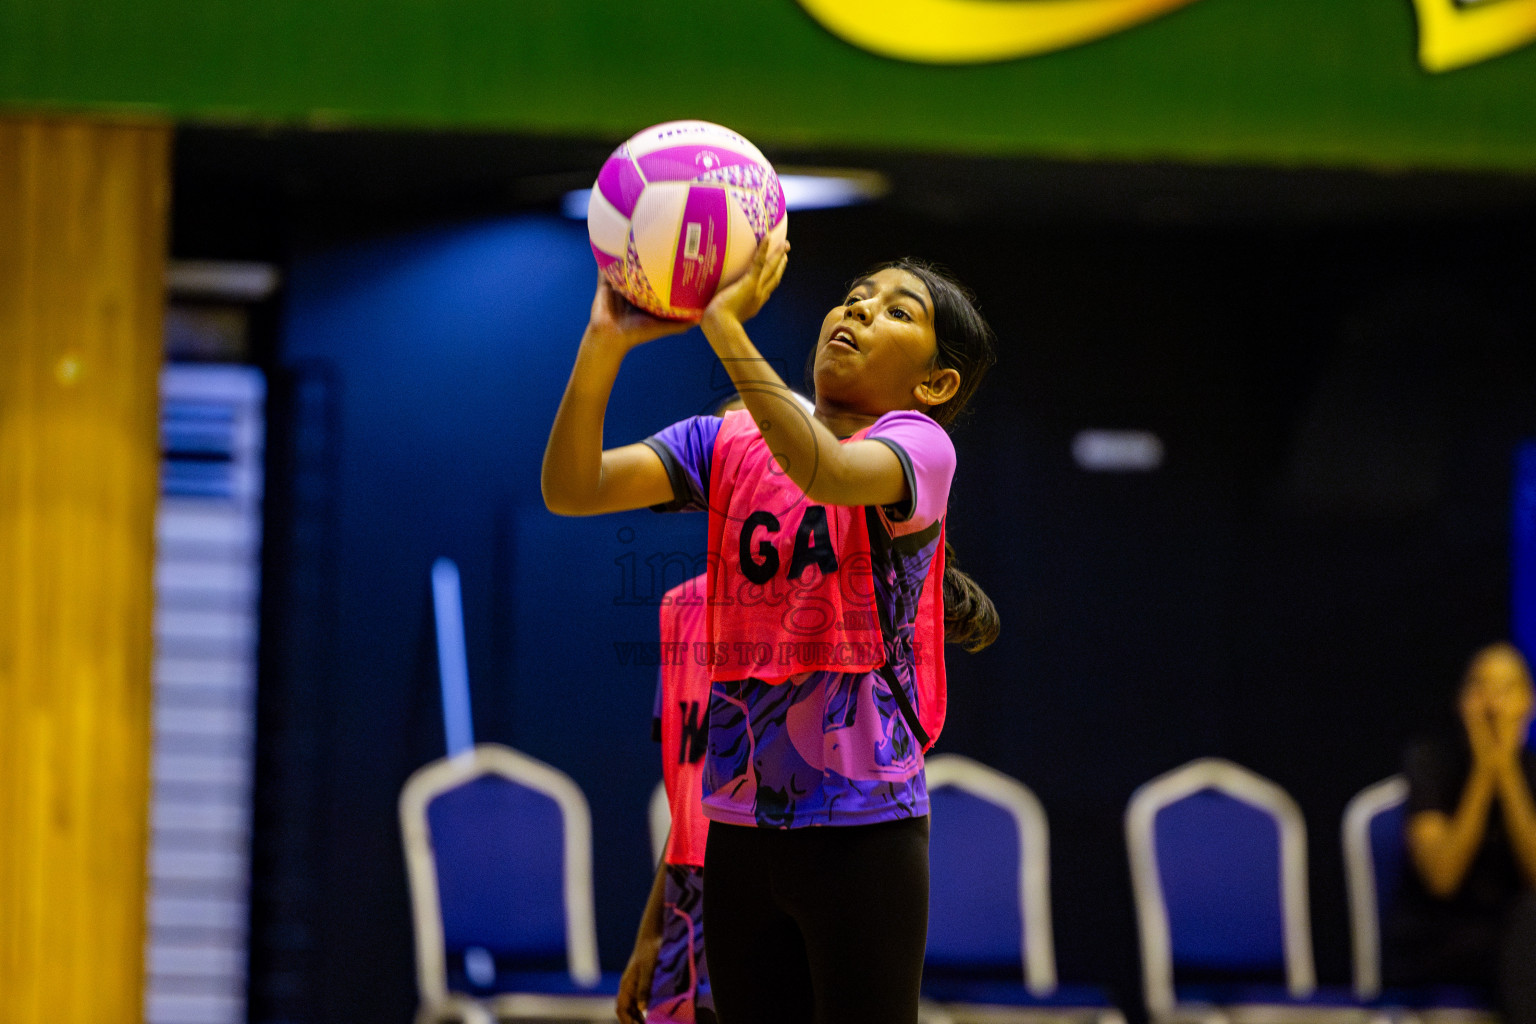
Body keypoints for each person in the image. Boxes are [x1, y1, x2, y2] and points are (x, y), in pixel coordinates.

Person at [543, 237, 998, 1024]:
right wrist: (603, 341)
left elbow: (823, 470)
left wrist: (721, 323)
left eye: (897, 309)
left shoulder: (922, 449)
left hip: (865, 831)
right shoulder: (728, 442)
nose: (860, 308)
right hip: (740, 827)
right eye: (857, 293)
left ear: (936, 381)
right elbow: (572, 487)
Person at [1388, 641, 1536, 1023]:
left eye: (1507, 690)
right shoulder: (1432, 763)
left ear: (1528, 703)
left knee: (1527, 921)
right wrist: (1485, 773)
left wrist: (1508, 773)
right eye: (1482, 688)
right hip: (1443, 934)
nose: (1493, 704)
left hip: (1520, 933)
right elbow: (1443, 876)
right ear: (1462, 700)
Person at [618, 573, 716, 1024]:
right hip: (690, 901)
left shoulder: (817, 608)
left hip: (778, 885)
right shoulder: (682, 606)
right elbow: (688, 800)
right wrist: (652, 929)